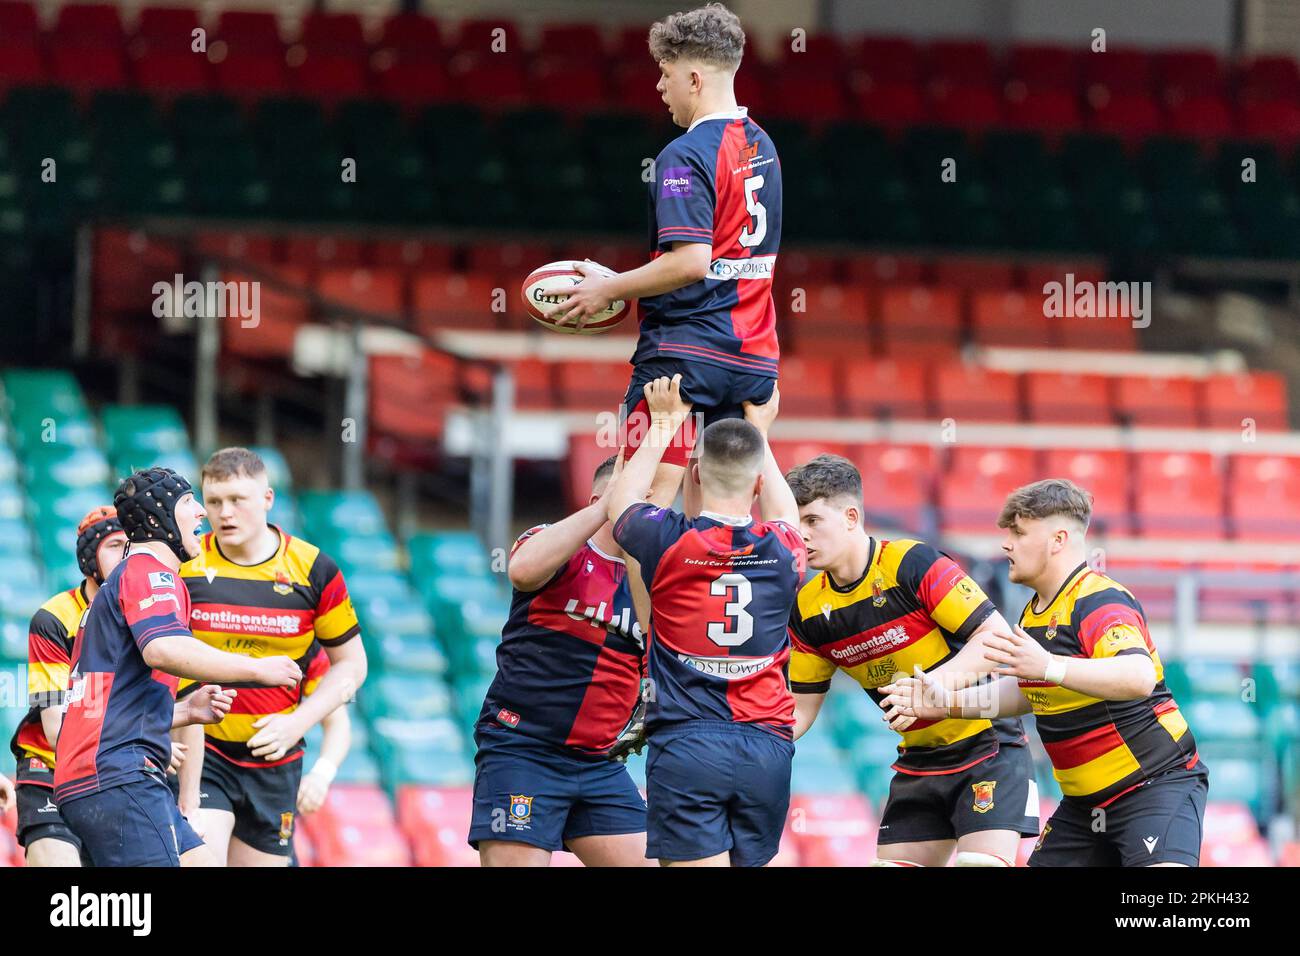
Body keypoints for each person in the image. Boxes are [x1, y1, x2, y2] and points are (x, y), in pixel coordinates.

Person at [884, 479, 1208, 867]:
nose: (1007, 544)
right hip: (1085, 808)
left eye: (1019, 533)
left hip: (1154, 788)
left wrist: (1050, 666)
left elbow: (1138, 676)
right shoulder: (1033, 612)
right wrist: (948, 703)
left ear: (1057, 539)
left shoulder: (1098, 599)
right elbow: (1030, 691)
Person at [545, 3, 783, 513]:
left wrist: (607, 288)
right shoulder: (764, 146)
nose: (659, 86)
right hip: (752, 359)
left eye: (665, 73)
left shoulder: (683, 153)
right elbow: (726, 258)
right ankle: (706, 596)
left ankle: (641, 599)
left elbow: (692, 262)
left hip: (681, 356)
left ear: (694, 78)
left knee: (642, 506)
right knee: (717, 507)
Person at [783, 454, 1037, 867]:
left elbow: (995, 637)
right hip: (919, 760)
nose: (801, 535)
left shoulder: (911, 563)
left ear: (851, 516)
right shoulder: (808, 609)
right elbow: (799, 711)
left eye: (812, 521)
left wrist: (931, 687)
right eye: (795, 524)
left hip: (987, 747)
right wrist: (746, 742)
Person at [54, 468, 301, 867]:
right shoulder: (149, 572)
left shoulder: (127, 580)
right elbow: (163, 649)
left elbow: (108, 703)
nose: (202, 512)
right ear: (157, 519)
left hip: (105, 774)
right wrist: (258, 669)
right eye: (188, 502)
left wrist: (186, 711)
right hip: (119, 774)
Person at [608, 375, 804, 866]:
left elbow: (624, 505)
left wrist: (665, 424)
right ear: (758, 482)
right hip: (768, 747)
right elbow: (787, 512)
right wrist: (761, 426)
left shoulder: (669, 541)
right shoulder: (785, 550)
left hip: (689, 743)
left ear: (695, 477)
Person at [177, 447, 367, 867]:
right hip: (204, 753)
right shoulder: (184, 564)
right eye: (214, 502)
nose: (224, 512)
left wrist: (297, 723)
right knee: (196, 860)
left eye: (237, 500)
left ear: (267, 498)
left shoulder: (314, 568)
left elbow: (352, 666)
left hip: (275, 763)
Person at [10, 505, 230, 866]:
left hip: (128, 769)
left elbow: (191, 713)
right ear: (89, 557)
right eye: (115, 545)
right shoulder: (54, 618)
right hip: (50, 770)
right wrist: (144, 728)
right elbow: (56, 731)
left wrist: (190, 804)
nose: (129, 553)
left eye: (134, 543)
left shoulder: (161, 607)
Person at [468, 455, 653, 867]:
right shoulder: (553, 544)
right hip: (524, 751)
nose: (646, 513)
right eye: (638, 498)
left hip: (599, 762)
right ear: (599, 499)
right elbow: (522, 571)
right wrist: (612, 503)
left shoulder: (650, 581)